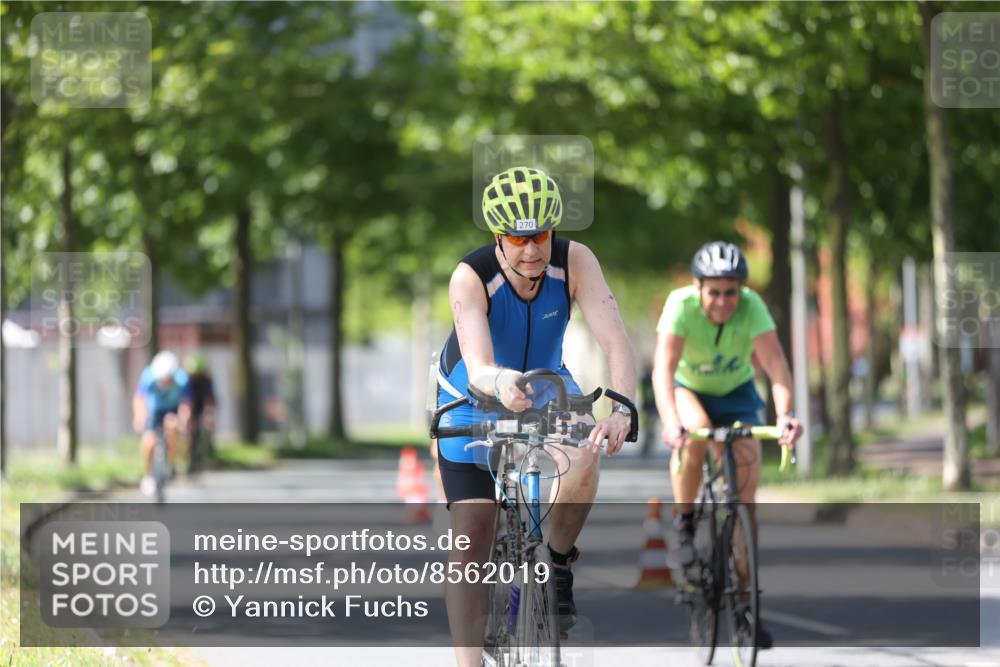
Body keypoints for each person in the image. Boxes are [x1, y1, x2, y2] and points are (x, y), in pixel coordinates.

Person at [434, 166, 636, 666]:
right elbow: (479, 365)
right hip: (473, 391)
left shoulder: (576, 260)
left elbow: (614, 337)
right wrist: (503, 383)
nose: (532, 250)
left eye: (541, 235)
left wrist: (624, 406)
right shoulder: (471, 275)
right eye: (519, 239)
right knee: (472, 534)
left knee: (586, 450)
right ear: (497, 237)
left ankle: (560, 562)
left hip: (546, 379)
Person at [652, 241, 804, 650]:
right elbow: (663, 371)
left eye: (731, 292)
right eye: (714, 291)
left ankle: (744, 608)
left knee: (745, 491)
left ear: (742, 290)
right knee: (696, 432)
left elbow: (777, 368)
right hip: (690, 390)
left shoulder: (753, 307)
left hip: (736, 393)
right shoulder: (679, 306)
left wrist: (785, 415)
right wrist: (670, 423)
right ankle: (684, 525)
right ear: (698, 288)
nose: (723, 301)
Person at [132, 350, 191, 495]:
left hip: (172, 408)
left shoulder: (182, 379)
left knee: (173, 427)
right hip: (155, 409)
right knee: (149, 441)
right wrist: (139, 417)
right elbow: (139, 399)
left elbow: (186, 404)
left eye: (168, 379)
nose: (165, 382)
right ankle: (148, 474)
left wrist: (183, 421)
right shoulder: (148, 376)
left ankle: (173, 460)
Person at [184, 353, 217, 472]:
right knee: (190, 432)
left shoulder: (206, 381)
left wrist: (209, 416)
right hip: (191, 406)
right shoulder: (186, 381)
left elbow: (209, 400)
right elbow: (186, 400)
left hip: (203, 406)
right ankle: (189, 460)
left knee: (208, 426)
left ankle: (209, 451)